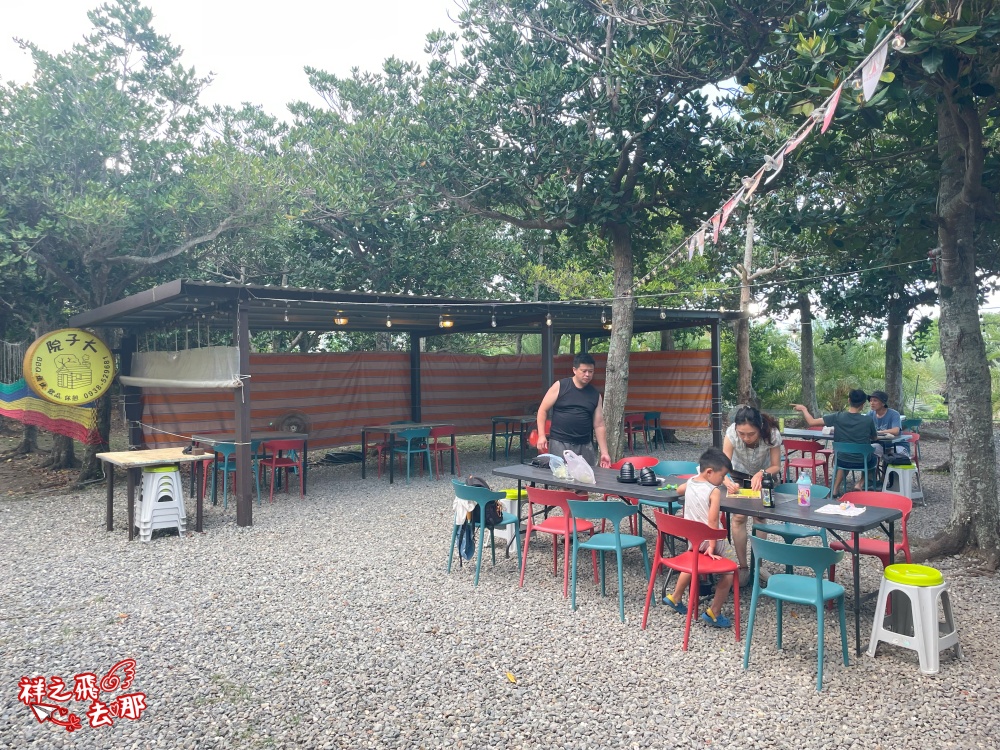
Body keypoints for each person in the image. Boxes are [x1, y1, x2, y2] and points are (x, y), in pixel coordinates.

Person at [662, 447, 736, 628]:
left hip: (693, 539)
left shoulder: (691, 481)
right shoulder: (714, 491)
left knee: (693, 562)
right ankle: (714, 612)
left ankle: (676, 596)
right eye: (722, 476)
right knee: (731, 571)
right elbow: (713, 519)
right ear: (710, 472)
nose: (722, 481)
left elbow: (679, 490)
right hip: (712, 539)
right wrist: (712, 545)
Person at [722, 405, 783, 587]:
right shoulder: (731, 433)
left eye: (751, 434)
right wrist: (726, 481)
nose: (746, 438)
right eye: (742, 434)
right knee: (738, 517)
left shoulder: (771, 433)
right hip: (738, 475)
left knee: (760, 516)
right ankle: (743, 567)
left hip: (763, 477)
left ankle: (759, 564)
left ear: (760, 428)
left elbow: (776, 466)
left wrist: (762, 473)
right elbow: (723, 465)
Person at [792, 389, 878, 495]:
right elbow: (874, 437)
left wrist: (804, 409)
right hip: (862, 461)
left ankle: (835, 489)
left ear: (848, 400)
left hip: (841, 459)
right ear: (863, 404)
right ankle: (860, 483)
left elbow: (811, 422)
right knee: (874, 457)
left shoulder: (837, 417)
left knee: (845, 456)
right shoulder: (868, 420)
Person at [536, 353, 612, 468]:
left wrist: (604, 452)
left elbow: (599, 425)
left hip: (585, 444)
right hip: (560, 442)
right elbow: (542, 410)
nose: (587, 374)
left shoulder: (595, 395)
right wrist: (541, 435)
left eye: (591, 371)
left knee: (586, 480)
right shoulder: (560, 386)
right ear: (574, 370)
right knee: (562, 479)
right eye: (584, 371)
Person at [869, 390, 909, 458]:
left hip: (897, 445)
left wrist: (879, 432)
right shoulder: (870, 414)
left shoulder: (894, 414)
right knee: (867, 449)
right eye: (870, 400)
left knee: (892, 457)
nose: (872, 403)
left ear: (883, 403)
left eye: (875, 400)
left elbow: (895, 431)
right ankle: (873, 468)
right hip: (880, 445)